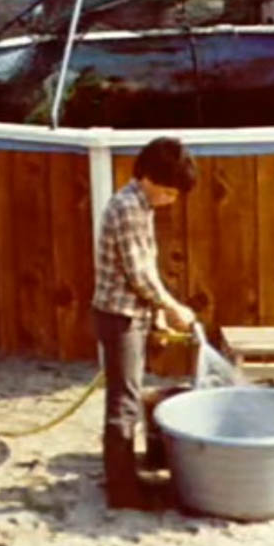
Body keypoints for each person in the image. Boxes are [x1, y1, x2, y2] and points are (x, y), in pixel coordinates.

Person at [92, 137, 197, 509]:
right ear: (149, 178)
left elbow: (145, 269)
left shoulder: (141, 205)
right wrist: (172, 307)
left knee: (129, 395)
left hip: (133, 313)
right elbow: (138, 275)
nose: (170, 200)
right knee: (124, 402)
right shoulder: (127, 209)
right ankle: (122, 491)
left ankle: (124, 476)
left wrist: (157, 316)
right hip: (119, 317)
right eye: (168, 192)